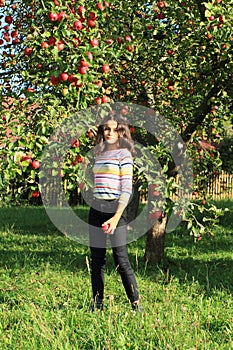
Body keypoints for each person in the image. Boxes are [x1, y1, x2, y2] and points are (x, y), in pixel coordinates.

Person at [88, 113, 143, 312]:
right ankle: (97, 303)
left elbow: (126, 189)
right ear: (102, 131)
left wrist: (116, 217)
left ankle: (136, 303)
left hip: (116, 210)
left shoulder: (124, 154)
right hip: (96, 208)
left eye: (115, 129)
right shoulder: (99, 154)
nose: (110, 133)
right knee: (97, 260)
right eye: (106, 129)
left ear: (121, 132)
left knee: (121, 259)